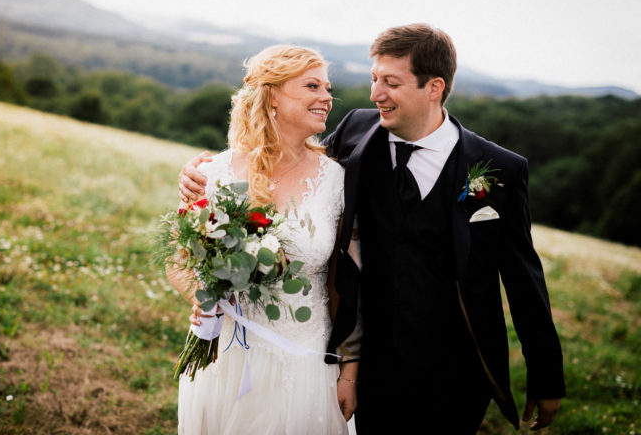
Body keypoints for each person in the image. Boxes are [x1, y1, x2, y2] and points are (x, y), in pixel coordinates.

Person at [179, 24, 566, 434]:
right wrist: (200, 176)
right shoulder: (355, 131)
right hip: (372, 366)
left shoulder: (500, 169)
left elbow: (524, 278)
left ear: (433, 87)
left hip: (455, 371)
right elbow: (284, 164)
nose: (375, 94)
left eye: (391, 83)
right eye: (374, 79)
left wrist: (546, 376)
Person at [167, 45, 354, 434]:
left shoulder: (336, 181)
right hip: (226, 357)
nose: (327, 98)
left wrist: (351, 369)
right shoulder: (215, 170)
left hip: (305, 361)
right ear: (272, 97)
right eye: (312, 86)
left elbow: (353, 284)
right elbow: (178, 259)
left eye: (328, 88)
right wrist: (205, 304)